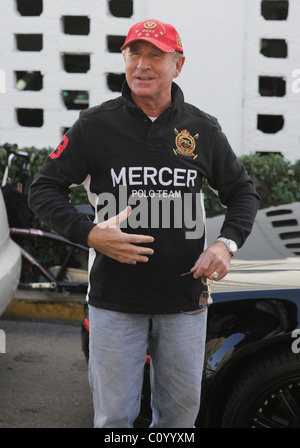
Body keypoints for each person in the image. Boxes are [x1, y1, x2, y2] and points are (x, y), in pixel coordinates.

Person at [29, 19, 260, 428]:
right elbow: (44, 189)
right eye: (134, 53)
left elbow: (242, 193)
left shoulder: (201, 129)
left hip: (185, 303)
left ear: (178, 65)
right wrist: (89, 234)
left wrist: (226, 244)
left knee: (178, 418)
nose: (143, 64)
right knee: (115, 418)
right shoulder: (94, 125)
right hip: (115, 303)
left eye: (156, 54)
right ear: (124, 60)